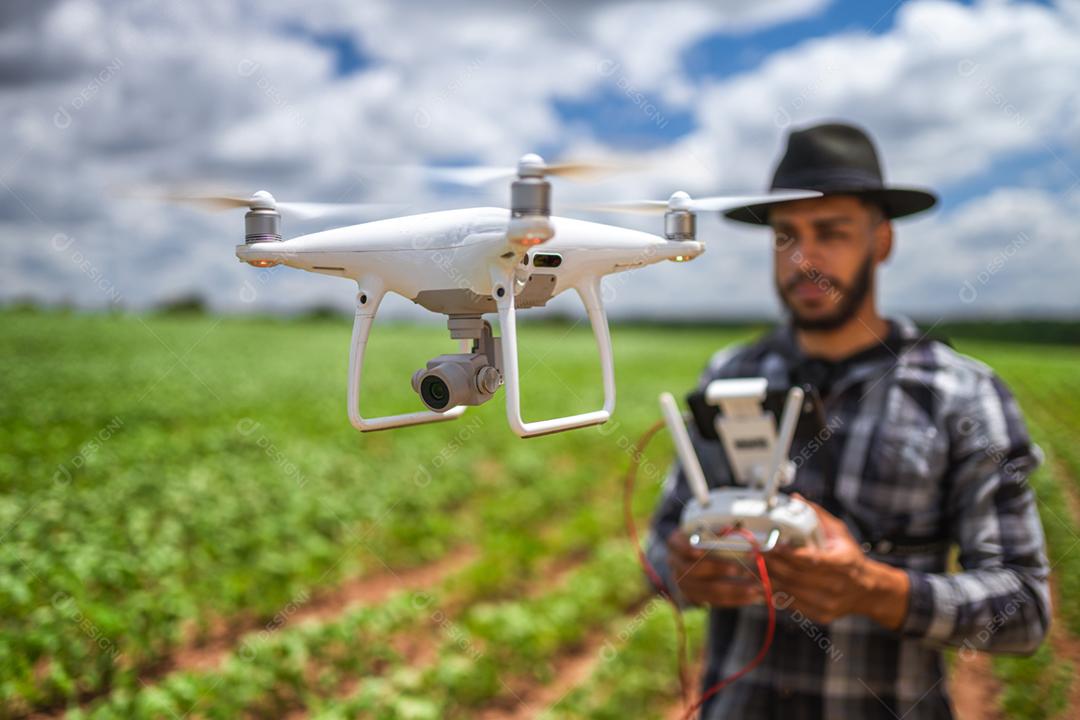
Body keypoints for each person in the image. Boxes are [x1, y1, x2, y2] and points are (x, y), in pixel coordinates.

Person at [646, 122, 1050, 719]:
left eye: (831, 233)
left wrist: (876, 590)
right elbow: (659, 549)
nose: (803, 260)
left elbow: (1024, 609)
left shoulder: (961, 398)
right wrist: (682, 571)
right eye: (786, 236)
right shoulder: (730, 377)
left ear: (881, 241)